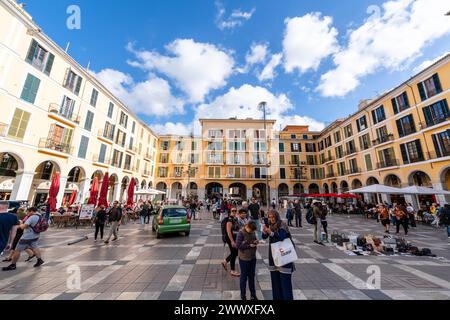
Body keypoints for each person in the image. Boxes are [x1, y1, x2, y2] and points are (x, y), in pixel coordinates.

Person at [262, 210, 294, 301]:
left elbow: (282, 237)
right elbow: (264, 237)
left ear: (277, 216)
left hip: (284, 258)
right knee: (275, 283)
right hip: (274, 257)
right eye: (269, 217)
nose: (271, 219)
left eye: (273, 217)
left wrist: (270, 232)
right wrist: (265, 231)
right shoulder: (270, 225)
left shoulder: (281, 224)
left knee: (285, 284)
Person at [236, 220, 259, 301]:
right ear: (247, 227)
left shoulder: (252, 231)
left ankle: (253, 295)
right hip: (244, 259)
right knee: (244, 277)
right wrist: (249, 245)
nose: (252, 232)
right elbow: (238, 245)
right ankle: (243, 296)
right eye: (251, 230)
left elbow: (254, 239)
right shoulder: (241, 233)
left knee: (252, 277)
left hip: (252, 258)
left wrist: (256, 241)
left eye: (253, 231)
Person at [221, 208, 240, 277]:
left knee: (234, 253)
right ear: (230, 212)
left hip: (234, 238)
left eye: (235, 210)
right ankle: (232, 270)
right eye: (233, 211)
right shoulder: (229, 219)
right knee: (234, 253)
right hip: (230, 238)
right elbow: (229, 231)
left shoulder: (235, 219)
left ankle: (225, 261)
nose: (234, 212)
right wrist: (232, 241)